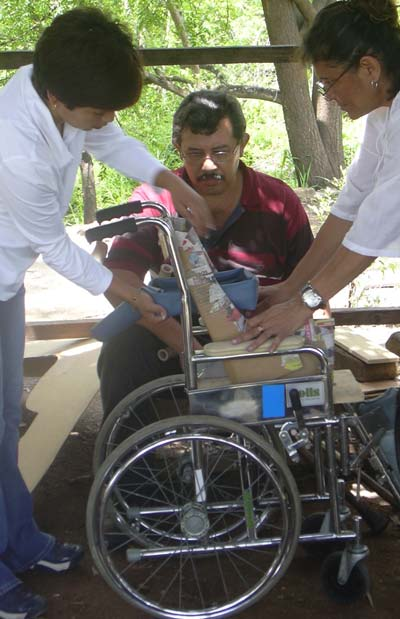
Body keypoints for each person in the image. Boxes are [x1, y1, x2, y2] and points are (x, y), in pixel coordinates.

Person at [0, 8, 213, 618]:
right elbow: (54, 243)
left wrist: (177, 184)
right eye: (98, 109)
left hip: (5, 280)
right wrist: (126, 291)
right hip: (9, 262)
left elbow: (109, 138)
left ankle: (21, 542)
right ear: (58, 96)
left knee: (7, 416)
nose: (106, 120)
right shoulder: (16, 146)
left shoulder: (61, 93)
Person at [234, 2, 400, 491]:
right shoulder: (387, 110)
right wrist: (292, 286)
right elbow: (351, 207)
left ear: (370, 69)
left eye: (331, 81)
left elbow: (377, 231)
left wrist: (306, 305)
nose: (329, 97)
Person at [97, 89, 314, 418]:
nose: (208, 164)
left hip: (256, 336)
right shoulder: (156, 201)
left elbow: (310, 280)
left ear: (243, 144)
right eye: (194, 153)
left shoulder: (278, 201)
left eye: (221, 152)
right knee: (121, 349)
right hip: (178, 337)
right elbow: (118, 279)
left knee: (299, 370)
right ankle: (133, 458)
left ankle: (280, 449)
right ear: (178, 150)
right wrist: (181, 342)